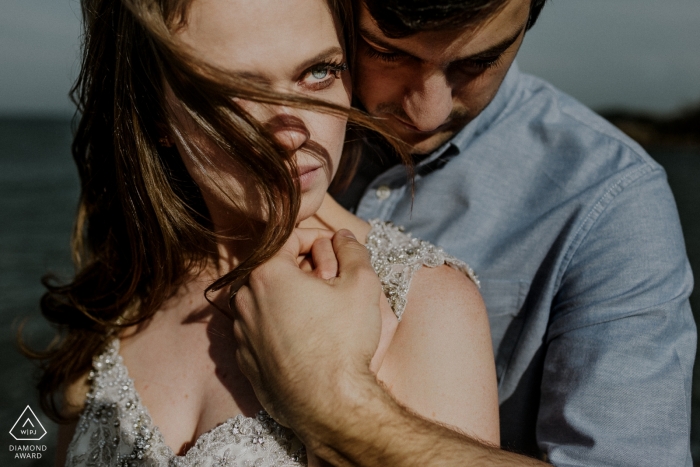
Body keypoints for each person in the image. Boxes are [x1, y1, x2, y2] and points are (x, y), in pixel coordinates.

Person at [26, 0, 503, 465]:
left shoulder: (424, 303)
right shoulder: (119, 293)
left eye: (319, 71)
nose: (290, 133)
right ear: (156, 114)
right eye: (231, 92)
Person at [232, 0, 697, 465]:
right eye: (387, 53)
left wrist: (341, 410)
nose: (427, 113)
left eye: (479, 62)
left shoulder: (612, 201)